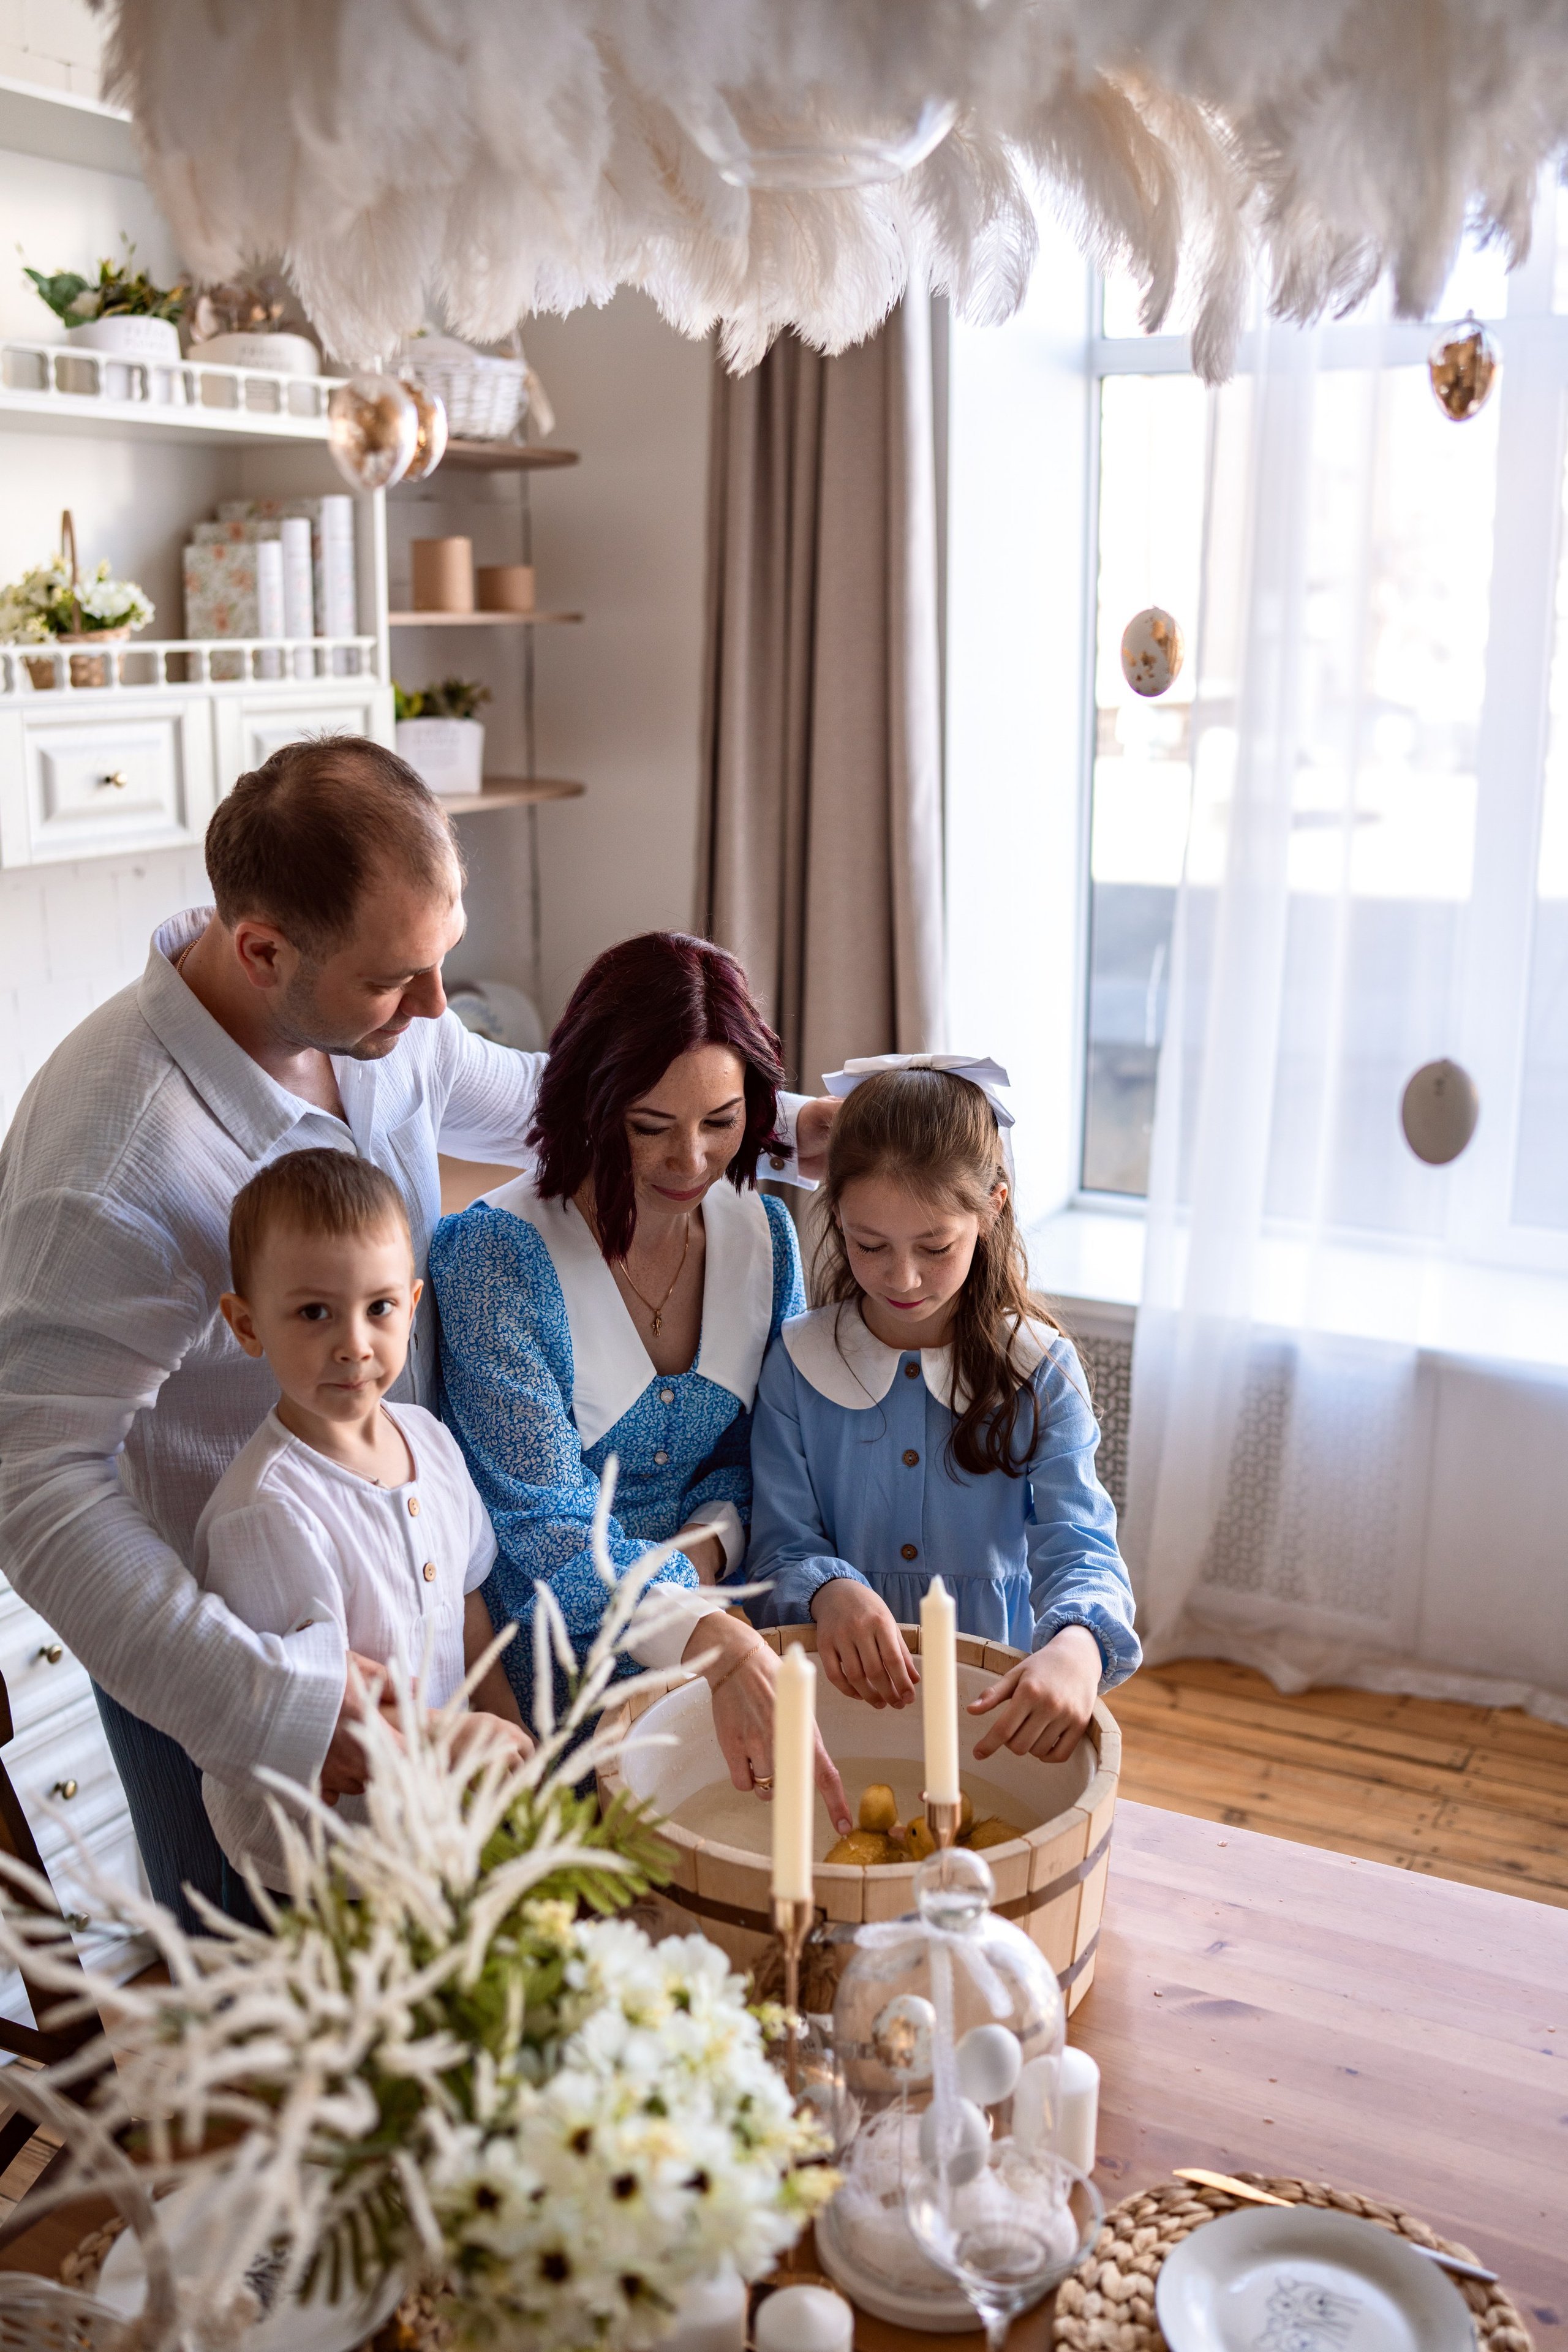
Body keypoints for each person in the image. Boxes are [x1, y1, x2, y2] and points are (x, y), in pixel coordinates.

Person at [0, 736, 834, 1928]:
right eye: (401, 980)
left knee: (451, 1995)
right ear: (263, 951)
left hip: (425, 1593)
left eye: (441, 960)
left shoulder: (376, 1020)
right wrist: (270, 1704)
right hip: (241, 1652)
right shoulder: (115, 1164)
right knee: (274, 2026)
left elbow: (545, 1096)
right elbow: (34, 1487)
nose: (438, 1008)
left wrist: (806, 1132)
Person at [430, 932, 853, 1833]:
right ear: (592, 1103)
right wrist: (706, 1629)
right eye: (649, 1126)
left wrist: (700, 1563)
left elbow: (767, 1455)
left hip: (725, 1627)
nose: (689, 1162)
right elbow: (542, 1524)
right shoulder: (495, 1258)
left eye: (721, 1122)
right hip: (552, 1685)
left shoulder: (762, 1237)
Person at [745, 1058, 1140, 1764]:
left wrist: (1077, 1647)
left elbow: (1080, 1546)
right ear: (835, 1215)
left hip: (990, 1705)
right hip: (837, 1702)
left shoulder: (1041, 1370)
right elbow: (779, 1542)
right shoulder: (798, 1363)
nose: (902, 1278)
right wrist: (829, 1590)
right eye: (870, 1246)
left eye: (935, 1247)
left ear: (993, 1207)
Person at [198, 1149, 530, 1891]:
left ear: (412, 1306)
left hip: (439, 1820)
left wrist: (510, 1733)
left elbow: (472, 1613)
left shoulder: (431, 1442)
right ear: (247, 1325)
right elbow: (296, 1710)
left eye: (379, 1308)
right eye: (314, 1312)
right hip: (331, 1861)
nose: (353, 1343)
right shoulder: (265, 1514)